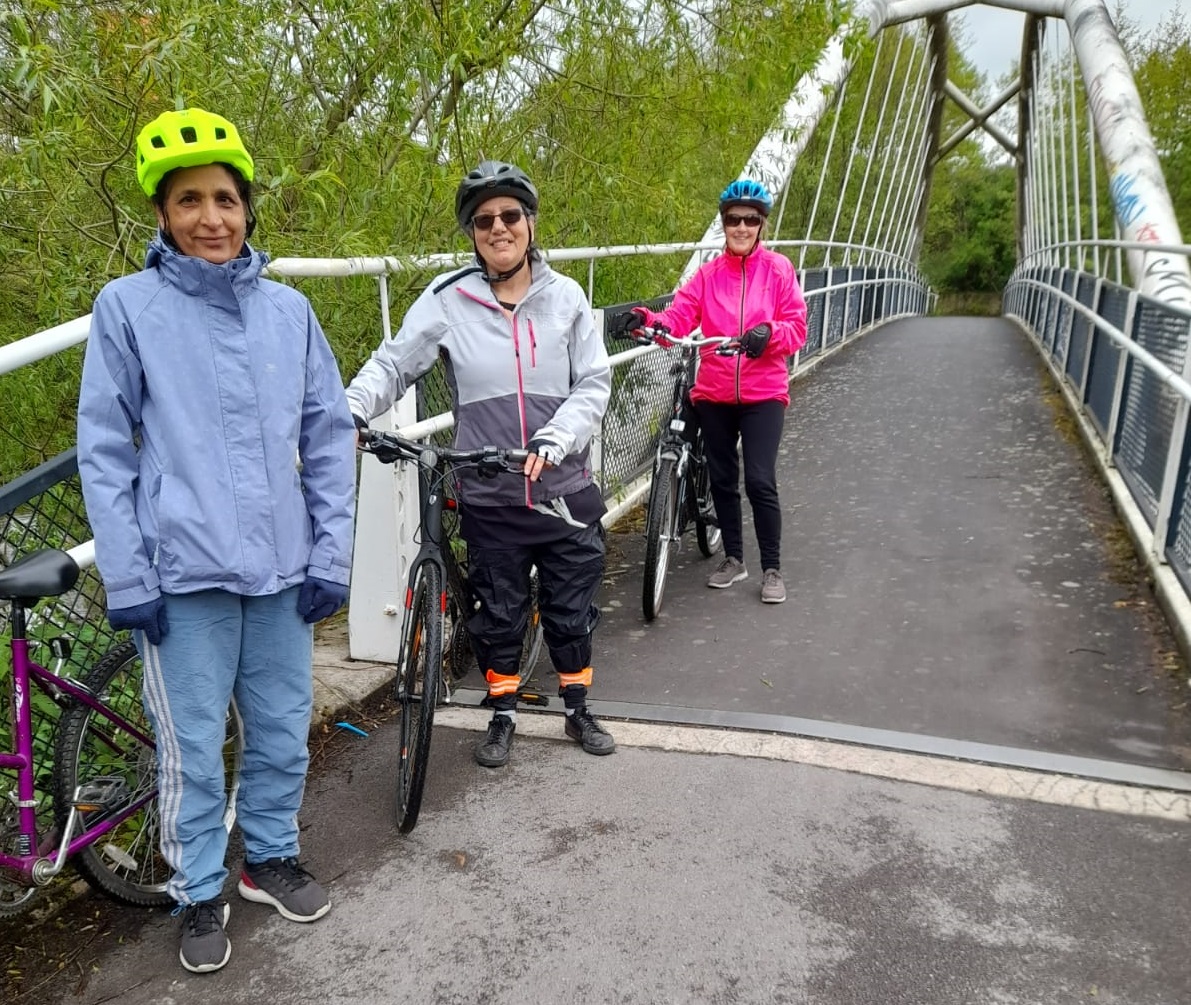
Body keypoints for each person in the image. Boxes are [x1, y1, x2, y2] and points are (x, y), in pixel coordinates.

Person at [76, 107, 357, 975]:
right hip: (183, 575)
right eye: (189, 200)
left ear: (247, 208)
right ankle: (199, 888)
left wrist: (330, 554)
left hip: (280, 569)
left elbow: (326, 434)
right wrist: (127, 575)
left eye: (226, 199)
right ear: (162, 213)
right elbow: (104, 447)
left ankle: (268, 856)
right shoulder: (126, 309)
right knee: (194, 746)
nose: (211, 218)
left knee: (279, 728)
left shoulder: (289, 311)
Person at [345, 159, 615, 768]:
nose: (499, 227)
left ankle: (577, 709)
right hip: (490, 490)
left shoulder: (566, 297)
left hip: (563, 488)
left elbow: (594, 384)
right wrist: (351, 410)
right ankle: (502, 712)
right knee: (499, 612)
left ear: (530, 223)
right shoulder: (447, 300)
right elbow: (393, 365)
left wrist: (556, 437)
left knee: (572, 608)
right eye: (484, 219)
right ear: (471, 232)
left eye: (510, 215)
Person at [609, 179, 807, 604]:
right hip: (715, 391)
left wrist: (766, 333)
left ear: (761, 225)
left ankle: (772, 568)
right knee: (721, 479)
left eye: (750, 219)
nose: (741, 226)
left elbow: (797, 328)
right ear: (724, 223)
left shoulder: (778, 271)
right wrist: (645, 320)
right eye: (733, 219)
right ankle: (734, 559)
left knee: (759, 479)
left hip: (763, 394)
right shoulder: (708, 275)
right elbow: (679, 316)